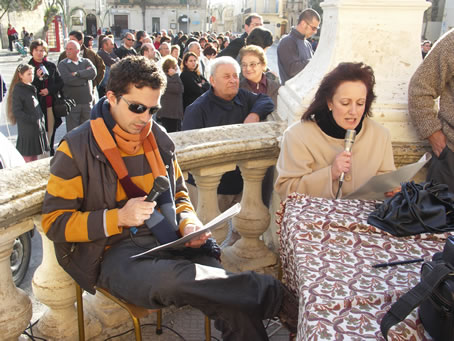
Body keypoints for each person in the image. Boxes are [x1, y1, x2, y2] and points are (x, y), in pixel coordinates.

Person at [41, 55, 296, 340]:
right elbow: (55, 223)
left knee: (230, 301)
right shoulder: (75, 148)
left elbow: (180, 195)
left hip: (167, 237)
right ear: (111, 97)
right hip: (112, 253)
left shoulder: (158, 138)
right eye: (137, 107)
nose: (145, 118)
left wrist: (188, 224)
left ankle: (263, 297)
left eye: (152, 109)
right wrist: (119, 217)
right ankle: (272, 295)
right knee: (183, 280)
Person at [275, 62, 397, 200]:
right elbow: (286, 190)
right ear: (329, 102)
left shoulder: (380, 135)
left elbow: (386, 180)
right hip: (316, 219)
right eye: (345, 103)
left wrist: (392, 190)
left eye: (360, 103)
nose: (353, 111)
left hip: (367, 220)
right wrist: (330, 174)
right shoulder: (297, 136)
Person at [182, 57, 275, 210]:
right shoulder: (197, 110)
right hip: (209, 187)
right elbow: (190, 154)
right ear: (212, 80)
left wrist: (254, 115)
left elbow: (265, 100)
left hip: (240, 183)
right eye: (226, 76)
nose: (233, 80)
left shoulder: (242, 96)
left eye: (235, 76)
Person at [408, 29, 454, 193]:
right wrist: (432, 133)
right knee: (442, 216)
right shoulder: (452, 42)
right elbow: (420, 87)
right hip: (450, 160)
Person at [28, 39, 64, 156]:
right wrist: (37, 79)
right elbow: (26, 86)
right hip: (35, 106)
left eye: (42, 50)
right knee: (38, 133)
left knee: (51, 132)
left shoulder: (51, 66)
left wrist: (49, 90)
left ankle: (50, 155)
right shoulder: (28, 67)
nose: (39, 53)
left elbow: (60, 83)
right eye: (37, 50)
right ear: (32, 51)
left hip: (50, 104)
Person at [7, 64, 49, 162]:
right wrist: (32, 119)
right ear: (21, 75)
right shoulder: (18, 89)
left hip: (36, 127)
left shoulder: (30, 86)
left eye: (32, 74)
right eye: (28, 74)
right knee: (27, 158)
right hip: (27, 129)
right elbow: (17, 111)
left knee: (35, 156)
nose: (31, 76)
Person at [58, 40, 97, 132]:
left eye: (70, 49)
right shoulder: (63, 64)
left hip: (87, 102)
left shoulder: (86, 61)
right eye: (66, 49)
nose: (68, 51)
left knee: (88, 130)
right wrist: (84, 78)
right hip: (72, 103)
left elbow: (93, 73)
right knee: (73, 132)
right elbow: (67, 79)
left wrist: (77, 74)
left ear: (77, 51)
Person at [277, 9, 320, 85]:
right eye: (313, 28)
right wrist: (315, 60)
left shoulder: (308, 44)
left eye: (317, 29)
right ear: (303, 23)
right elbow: (292, 70)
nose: (315, 32)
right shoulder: (287, 41)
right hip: (291, 94)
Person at [157, 56, 184, 132]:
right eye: (174, 67)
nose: (176, 69)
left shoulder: (172, 78)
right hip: (169, 114)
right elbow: (179, 89)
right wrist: (175, 75)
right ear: (169, 68)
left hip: (175, 114)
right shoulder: (165, 79)